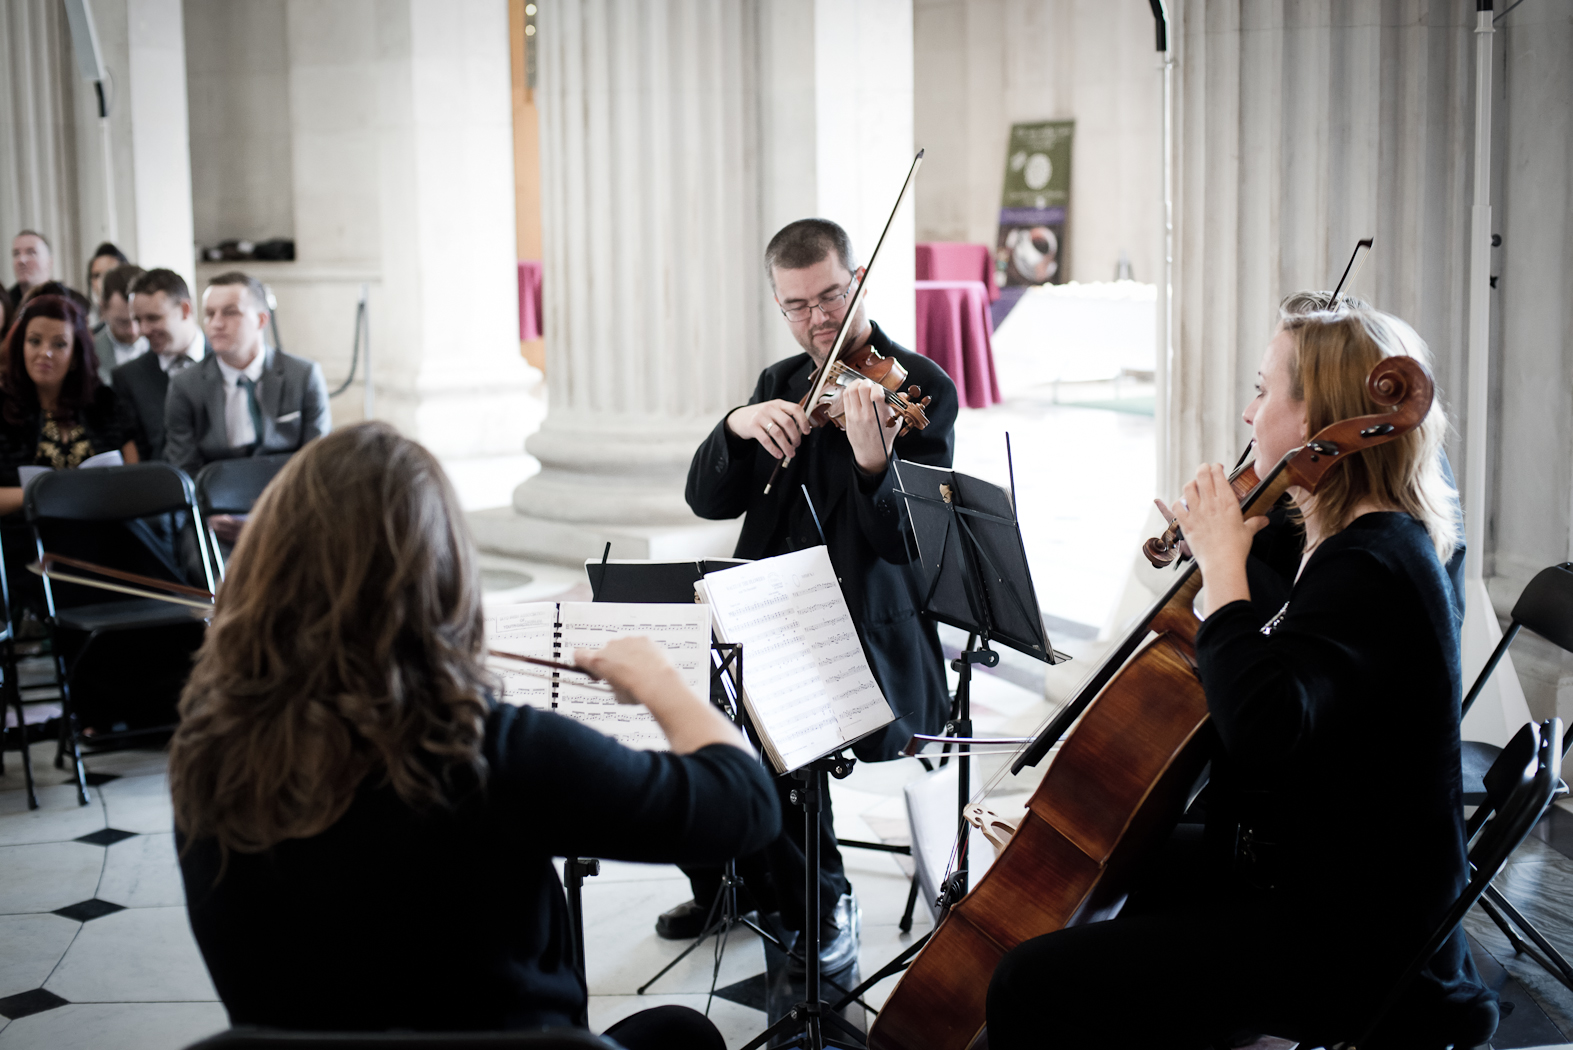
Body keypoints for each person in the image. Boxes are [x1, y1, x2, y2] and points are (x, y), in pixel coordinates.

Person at [170, 422, 779, 1049]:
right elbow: (744, 806)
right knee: (686, 1036)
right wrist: (663, 683)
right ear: (442, 573)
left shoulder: (207, 751)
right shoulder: (487, 751)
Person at [985, 309, 1494, 1049]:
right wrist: (1216, 558)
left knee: (1027, 983)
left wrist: (1223, 569)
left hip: (1351, 933)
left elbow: (1261, 725)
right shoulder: (1351, 536)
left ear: (1319, 415)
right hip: (1310, 870)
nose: (1249, 413)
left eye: (1263, 391)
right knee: (1115, 872)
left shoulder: (1374, 562)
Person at [680, 218, 957, 972]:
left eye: (831, 296)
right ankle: (728, 882)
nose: (818, 319)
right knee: (677, 713)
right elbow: (709, 502)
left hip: (860, 626)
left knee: (787, 740)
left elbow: (908, 547)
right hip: (762, 609)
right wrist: (736, 427)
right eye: (797, 306)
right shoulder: (780, 382)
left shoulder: (921, 387)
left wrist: (874, 469)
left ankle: (822, 898)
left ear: (858, 278)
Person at [163, 272, 330, 532]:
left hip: (289, 510)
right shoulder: (185, 385)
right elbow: (184, 467)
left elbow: (316, 460)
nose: (216, 323)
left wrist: (285, 516)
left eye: (230, 313)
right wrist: (210, 514)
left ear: (262, 319)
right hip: (217, 515)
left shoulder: (304, 376)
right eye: (209, 314)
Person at [0, 294, 138, 517]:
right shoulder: (3, 406)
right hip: (28, 537)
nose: (45, 352)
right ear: (20, 347)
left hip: (104, 529)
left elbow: (137, 479)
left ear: (75, 355)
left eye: (59, 344)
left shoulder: (104, 402)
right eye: (34, 341)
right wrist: (46, 493)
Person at [118, 269, 206, 464]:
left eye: (153, 318)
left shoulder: (225, 361)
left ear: (185, 310)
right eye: (138, 320)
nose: (142, 330)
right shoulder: (129, 378)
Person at [94, 263, 149, 385]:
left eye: (138, 319)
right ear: (103, 309)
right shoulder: (90, 353)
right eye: (123, 322)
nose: (133, 331)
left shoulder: (164, 348)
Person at [86, 241, 130, 328]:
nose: (101, 281)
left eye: (108, 274)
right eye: (96, 275)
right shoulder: (85, 319)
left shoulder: (138, 314)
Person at [8, 230, 52, 302]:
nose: (21, 260)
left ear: (50, 262)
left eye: (31, 252)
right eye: (16, 254)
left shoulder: (68, 301)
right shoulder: (5, 305)